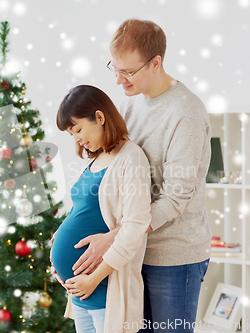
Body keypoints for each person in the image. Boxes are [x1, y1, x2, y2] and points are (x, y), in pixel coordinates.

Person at [68, 19, 213, 332]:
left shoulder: (185, 111)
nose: (120, 80)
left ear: (155, 63)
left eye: (128, 71)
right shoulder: (132, 107)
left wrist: (117, 236)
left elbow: (176, 196)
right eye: (114, 68)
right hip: (134, 252)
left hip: (173, 256)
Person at [50, 84, 152, 333]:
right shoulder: (96, 157)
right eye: (72, 135)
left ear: (99, 116)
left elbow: (134, 228)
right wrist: (57, 247)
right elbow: (84, 210)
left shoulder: (131, 157)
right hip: (80, 291)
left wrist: (92, 279)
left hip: (103, 287)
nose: (78, 139)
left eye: (78, 130)